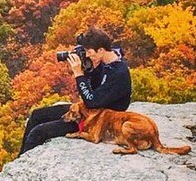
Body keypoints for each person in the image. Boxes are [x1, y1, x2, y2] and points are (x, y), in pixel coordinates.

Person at [18, 27, 132, 156]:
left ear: (101, 50)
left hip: (99, 119)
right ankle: (19, 158)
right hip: (88, 111)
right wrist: (89, 71)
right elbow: (93, 90)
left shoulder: (118, 73)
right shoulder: (103, 62)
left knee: (39, 132)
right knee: (36, 115)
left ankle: (23, 163)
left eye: (89, 52)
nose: (88, 55)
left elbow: (91, 101)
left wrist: (79, 74)